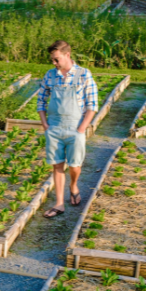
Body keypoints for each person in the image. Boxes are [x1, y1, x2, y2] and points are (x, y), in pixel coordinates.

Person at [38, 40, 98, 218]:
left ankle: (73, 185)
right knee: (57, 166)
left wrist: (81, 129)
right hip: (54, 127)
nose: (54, 63)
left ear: (67, 55)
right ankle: (59, 203)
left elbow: (92, 104)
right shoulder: (50, 76)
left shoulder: (83, 74)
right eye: (52, 60)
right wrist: (45, 124)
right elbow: (41, 100)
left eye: (57, 59)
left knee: (74, 165)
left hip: (75, 128)